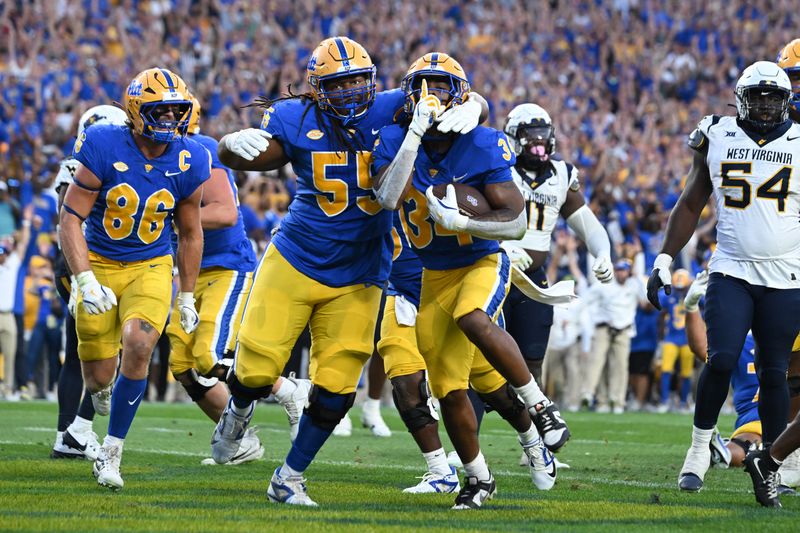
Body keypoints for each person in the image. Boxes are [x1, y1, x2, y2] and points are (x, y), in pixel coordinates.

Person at [210, 37, 487, 506]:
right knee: (255, 372)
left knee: (337, 390)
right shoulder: (295, 119)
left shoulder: (394, 107)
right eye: (339, 84)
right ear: (318, 89)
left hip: (362, 270)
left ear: (373, 80)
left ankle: (289, 477)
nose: (352, 91)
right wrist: (227, 145)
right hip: (297, 258)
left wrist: (477, 103)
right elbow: (248, 157)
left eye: (359, 79)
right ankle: (237, 408)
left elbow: (453, 92)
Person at [373, 52, 565, 509]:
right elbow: (386, 196)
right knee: (450, 390)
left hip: (479, 261)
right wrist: (416, 135)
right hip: (429, 276)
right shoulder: (396, 136)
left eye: (442, 87)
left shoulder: (482, 143)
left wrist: (467, 225)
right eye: (424, 85)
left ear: (459, 95)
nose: (432, 96)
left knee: (473, 316)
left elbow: (515, 224)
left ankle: (541, 408)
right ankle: (478, 479)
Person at [646, 61, 800, 495]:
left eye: (775, 97)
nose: (767, 105)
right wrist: (663, 257)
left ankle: (769, 465)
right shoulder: (716, 132)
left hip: (787, 276)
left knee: (774, 373)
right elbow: (693, 199)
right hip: (731, 268)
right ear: (740, 99)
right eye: (759, 97)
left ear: (787, 100)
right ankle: (698, 447)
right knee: (723, 358)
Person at [59, 68, 209, 490]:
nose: (168, 119)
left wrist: (188, 296)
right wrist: (84, 280)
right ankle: (102, 395)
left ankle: (111, 453)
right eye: (159, 110)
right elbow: (70, 217)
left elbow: (192, 231)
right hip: (100, 262)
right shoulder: (105, 142)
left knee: (141, 343)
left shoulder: (190, 156)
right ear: (136, 110)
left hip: (151, 265)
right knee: (99, 378)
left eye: (176, 110)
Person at [164, 94, 271, 465]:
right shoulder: (156, 155)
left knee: (208, 354)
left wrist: (167, 217)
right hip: (194, 272)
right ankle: (241, 441)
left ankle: (287, 388)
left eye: (168, 112)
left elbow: (225, 212)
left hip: (228, 265)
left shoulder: (200, 147)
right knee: (182, 363)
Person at [500, 103, 613, 389]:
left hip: (535, 282)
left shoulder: (562, 175)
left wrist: (603, 252)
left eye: (543, 134)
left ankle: (533, 432)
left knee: (533, 359)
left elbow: (586, 223)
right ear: (514, 138)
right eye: (531, 135)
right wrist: (499, 246)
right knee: (481, 359)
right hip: (494, 275)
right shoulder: (498, 168)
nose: (539, 142)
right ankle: (468, 430)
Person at [51, 105, 129, 460]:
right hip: (86, 264)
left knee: (78, 353)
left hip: (76, 264)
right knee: (102, 350)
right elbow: (68, 219)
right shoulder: (84, 164)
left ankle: (68, 435)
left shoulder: (78, 160)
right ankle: (78, 430)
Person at [581, 259, 644, 413]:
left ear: (629, 272)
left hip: (624, 330)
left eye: (624, 270)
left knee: (621, 366)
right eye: (618, 270)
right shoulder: (604, 284)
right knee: (597, 362)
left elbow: (646, 298)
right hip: (604, 327)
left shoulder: (634, 284)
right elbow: (585, 300)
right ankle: (592, 395)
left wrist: (638, 277)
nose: (620, 273)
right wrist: (595, 317)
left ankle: (617, 401)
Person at [656, 269, 694, 413]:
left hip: (688, 339)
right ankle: (664, 401)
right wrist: (660, 337)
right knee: (665, 370)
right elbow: (660, 312)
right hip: (671, 338)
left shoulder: (693, 295)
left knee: (686, 373)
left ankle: (684, 402)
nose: (680, 290)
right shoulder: (668, 295)